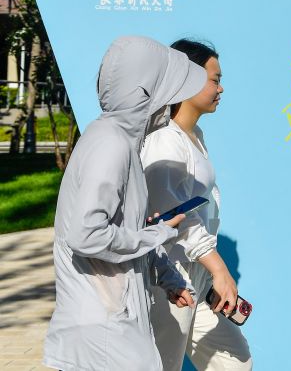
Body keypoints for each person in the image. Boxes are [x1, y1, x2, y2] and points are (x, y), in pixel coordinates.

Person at [44, 36, 205, 371]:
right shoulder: (111, 145)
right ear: (147, 93)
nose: (174, 104)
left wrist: (166, 274)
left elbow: (118, 230)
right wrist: (158, 233)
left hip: (110, 322)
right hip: (103, 331)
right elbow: (87, 235)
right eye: (169, 92)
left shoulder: (115, 140)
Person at [141, 39, 253, 370]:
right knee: (164, 365)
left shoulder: (194, 135)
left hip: (196, 274)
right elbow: (173, 215)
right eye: (214, 79)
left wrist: (211, 271)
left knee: (235, 363)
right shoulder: (164, 140)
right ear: (186, 79)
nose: (221, 88)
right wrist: (220, 269)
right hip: (169, 276)